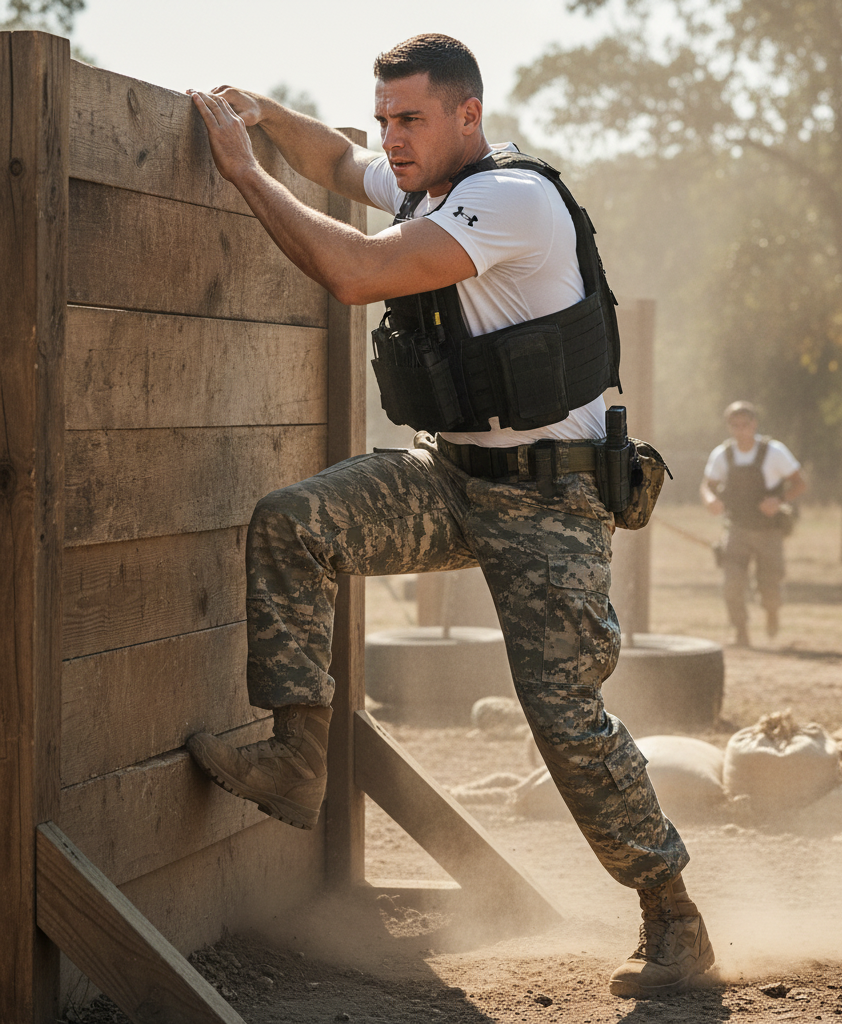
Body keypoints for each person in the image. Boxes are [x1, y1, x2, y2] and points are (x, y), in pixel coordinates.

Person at [183, 34, 713, 998]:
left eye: (410, 119)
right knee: (294, 522)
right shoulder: (426, 182)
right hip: (452, 480)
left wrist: (242, 172)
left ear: (468, 114)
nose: (390, 138)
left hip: (548, 499)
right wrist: (264, 115)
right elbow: (338, 164)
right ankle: (299, 758)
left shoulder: (510, 199)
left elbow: (350, 270)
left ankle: (671, 912)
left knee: (564, 719)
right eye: (385, 118)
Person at [699, 401, 806, 646]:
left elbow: (800, 483)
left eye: (744, 425)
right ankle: (741, 632)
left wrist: (778, 500)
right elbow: (707, 485)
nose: (740, 430)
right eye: (734, 425)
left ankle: (772, 612)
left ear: (754, 424)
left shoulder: (775, 452)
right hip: (736, 529)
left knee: (770, 584)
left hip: (769, 531)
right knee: (732, 584)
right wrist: (710, 499)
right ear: (729, 427)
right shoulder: (722, 455)